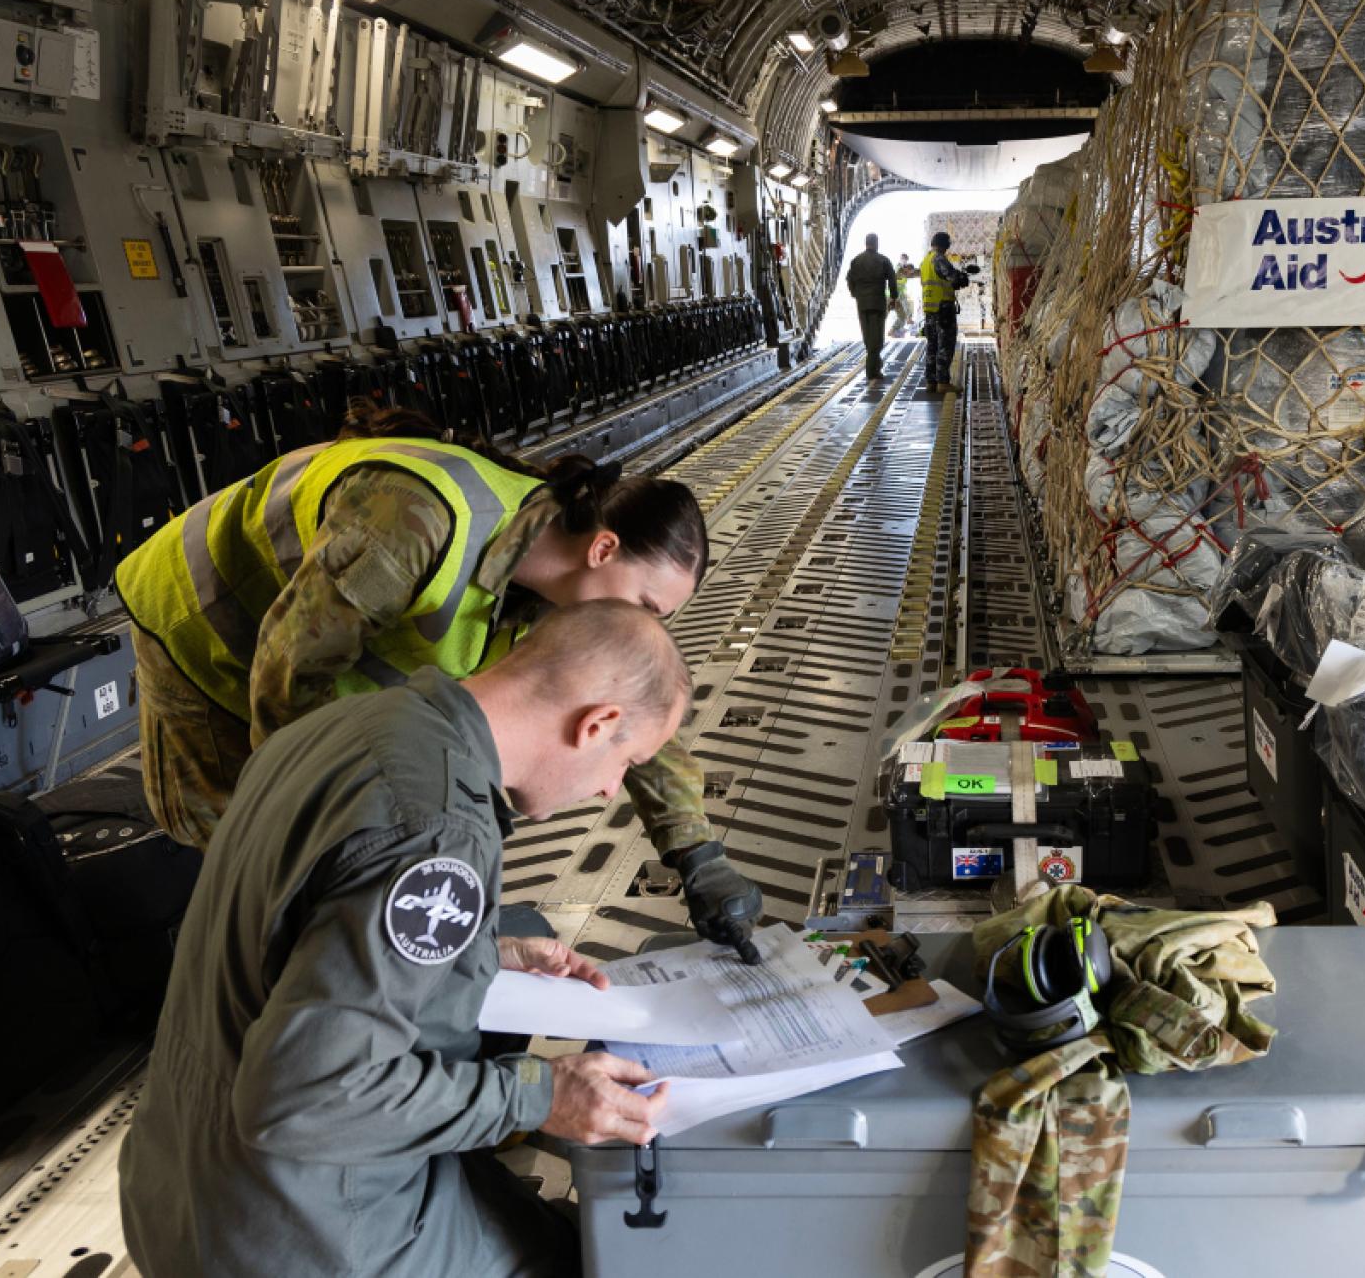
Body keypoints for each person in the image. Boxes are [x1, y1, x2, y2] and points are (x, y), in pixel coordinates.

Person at [118, 600, 686, 1278]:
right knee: (584, 1258)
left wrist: (480, 946)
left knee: (524, 930)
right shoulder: (436, 825)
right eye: (627, 762)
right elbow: (301, 1095)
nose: (607, 791)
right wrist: (540, 1097)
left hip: (172, 1182)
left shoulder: (351, 722)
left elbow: (297, 920)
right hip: (296, 1232)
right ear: (598, 723)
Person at [115, 406, 763, 955]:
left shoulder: (556, 588)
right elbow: (286, 689)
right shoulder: (414, 524)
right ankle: (257, 980)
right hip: (206, 630)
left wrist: (696, 852)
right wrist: (352, 850)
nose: (646, 628)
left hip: (301, 654)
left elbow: (633, 705)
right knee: (248, 831)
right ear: (602, 550)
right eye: (649, 608)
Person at [843, 233, 898, 383]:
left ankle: (873, 367)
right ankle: (872, 370)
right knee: (877, 338)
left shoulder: (856, 261)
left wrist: (856, 294)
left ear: (866, 243)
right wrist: (894, 297)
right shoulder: (883, 260)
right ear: (876, 243)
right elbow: (892, 280)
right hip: (878, 303)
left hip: (862, 303)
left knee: (867, 336)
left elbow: (849, 280)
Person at [919, 232, 970, 392]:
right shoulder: (939, 258)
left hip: (929, 309)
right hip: (943, 309)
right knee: (945, 345)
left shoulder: (925, 261)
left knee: (932, 346)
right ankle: (943, 382)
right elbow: (951, 276)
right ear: (944, 245)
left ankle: (931, 381)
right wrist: (962, 278)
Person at [890, 252, 919, 337]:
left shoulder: (903, 269)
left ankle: (893, 330)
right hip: (896, 292)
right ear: (900, 259)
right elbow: (904, 274)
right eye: (903, 259)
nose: (904, 261)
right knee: (906, 304)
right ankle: (909, 319)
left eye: (906, 260)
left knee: (902, 315)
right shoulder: (899, 268)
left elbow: (911, 274)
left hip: (898, 292)